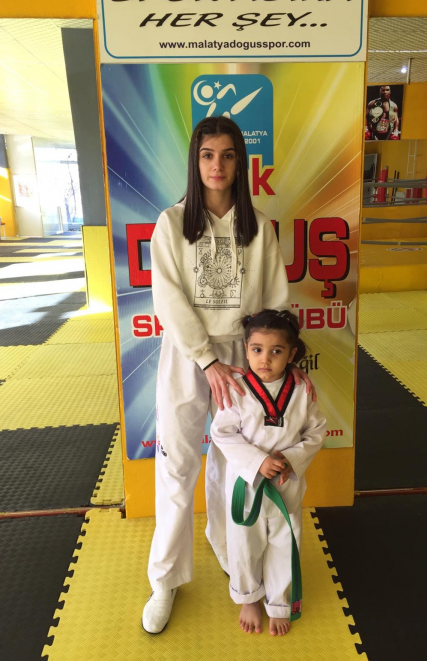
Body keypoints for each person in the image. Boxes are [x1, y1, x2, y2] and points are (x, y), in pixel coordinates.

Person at [142, 116, 314, 634]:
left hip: (246, 358)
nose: (217, 165)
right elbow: (168, 299)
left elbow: (276, 305)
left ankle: (230, 554)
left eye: (227, 155)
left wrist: (277, 367)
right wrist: (206, 359)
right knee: (176, 467)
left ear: (241, 163)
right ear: (195, 163)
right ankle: (165, 580)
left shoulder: (258, 227)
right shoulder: (172, 223)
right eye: (207, 155)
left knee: (236, 467)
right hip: (188, 356)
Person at [211, 309, 327, 636]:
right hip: (246, 485)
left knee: (285, 541)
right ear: (246, 350)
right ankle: (248, 597)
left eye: (276, 351)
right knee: (244, 543)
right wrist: (257, 461)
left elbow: (316, 431)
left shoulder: (302, 390)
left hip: (286, 484)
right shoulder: (236, 390)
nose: (265, 359)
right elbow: (222, 433)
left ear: (291, 354)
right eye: (257, 350)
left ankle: (278, 602)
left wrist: (291, 459)